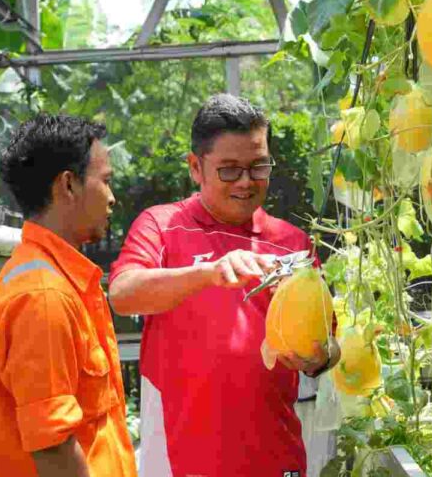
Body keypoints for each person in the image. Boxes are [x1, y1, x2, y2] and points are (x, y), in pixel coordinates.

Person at [109, 94, 340, 477]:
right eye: (229, 170)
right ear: (196, 167)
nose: (247, 182)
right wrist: (208, 273)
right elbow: (123, 293)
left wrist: (318, 357)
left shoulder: (292, 242)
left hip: (275, 458)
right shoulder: (162, 226)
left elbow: (328, 343)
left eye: (259, 167)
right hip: (181, 461)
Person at [0, 114, 138, 477]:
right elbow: (53, 446)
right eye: (106, 181)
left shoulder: (54, 280)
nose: (112, 198)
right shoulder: (43, 295)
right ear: (68, 185)